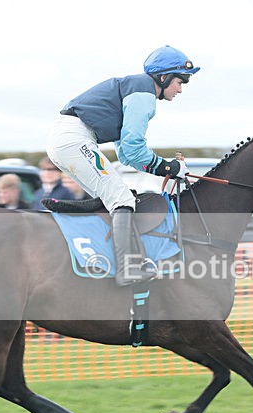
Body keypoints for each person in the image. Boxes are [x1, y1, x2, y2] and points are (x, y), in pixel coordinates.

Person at [46, 45, 199, 286]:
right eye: (181, 81)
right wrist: (169, 168)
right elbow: (134, 149)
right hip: (74, 138)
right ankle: (128, 269)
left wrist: (164, 169)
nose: (181, 89)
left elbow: (128, 156)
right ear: (163, 77)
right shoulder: (144, 93)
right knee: (122, 199)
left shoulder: (134, 90)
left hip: (68, 138)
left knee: (116, 197)